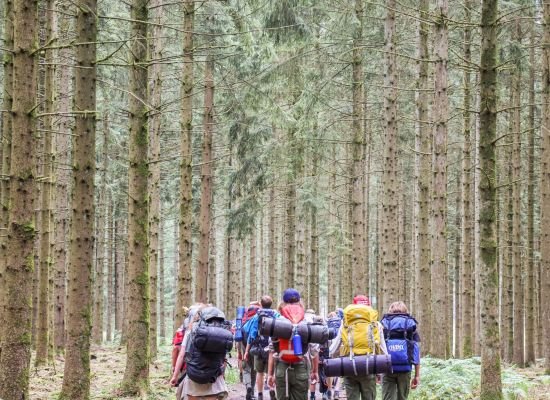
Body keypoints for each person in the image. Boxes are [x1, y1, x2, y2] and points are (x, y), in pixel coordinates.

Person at [329, 294, 388, 400]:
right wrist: (382, 369)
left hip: (349, 365)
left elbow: (335, 345)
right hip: (369, 366)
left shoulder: (345, 324)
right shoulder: (375, 324)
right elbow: (383, 348)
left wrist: (327, 356)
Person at [170, 304, 232, 400]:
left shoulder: (191, 331)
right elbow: (223, 358)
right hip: (214, 378)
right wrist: (222, 376)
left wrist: (174, 376)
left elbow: (181, 355)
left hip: (194, 377)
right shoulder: (221, 333)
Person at [266, 289, 320, 400]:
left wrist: (270, 374)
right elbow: (314, 350)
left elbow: (272, 349)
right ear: (299, 301)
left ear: (283, 302)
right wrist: (315, 371)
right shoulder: (307, 320)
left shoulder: (277, 320)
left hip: (281, 366)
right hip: (301, 366)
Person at [380, 302, 420, 400]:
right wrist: (417, 375)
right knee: (402, 397)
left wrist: (377, 371)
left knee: (387, 398)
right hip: (405, 368)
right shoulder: (410, 324)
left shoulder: (384, 324)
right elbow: (416, 351)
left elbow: (379, 347)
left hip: (387, 367)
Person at [243, 295, 279, 400]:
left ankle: (260, 394)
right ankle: (272, 390)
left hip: (259, 349)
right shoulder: (276, 315)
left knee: (259, 372)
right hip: (272, 349)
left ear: (261, 304)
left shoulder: (256, 316)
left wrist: (246, 351)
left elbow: (251, 335)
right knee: (271, 372)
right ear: (271, 304)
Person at [240, 302, 261, 400]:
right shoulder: (258, 319)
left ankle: (248, 386)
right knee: (254, 369)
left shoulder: (244, 321)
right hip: (255, 345)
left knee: (246, 368)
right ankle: (252, 392)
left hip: (244, 344)